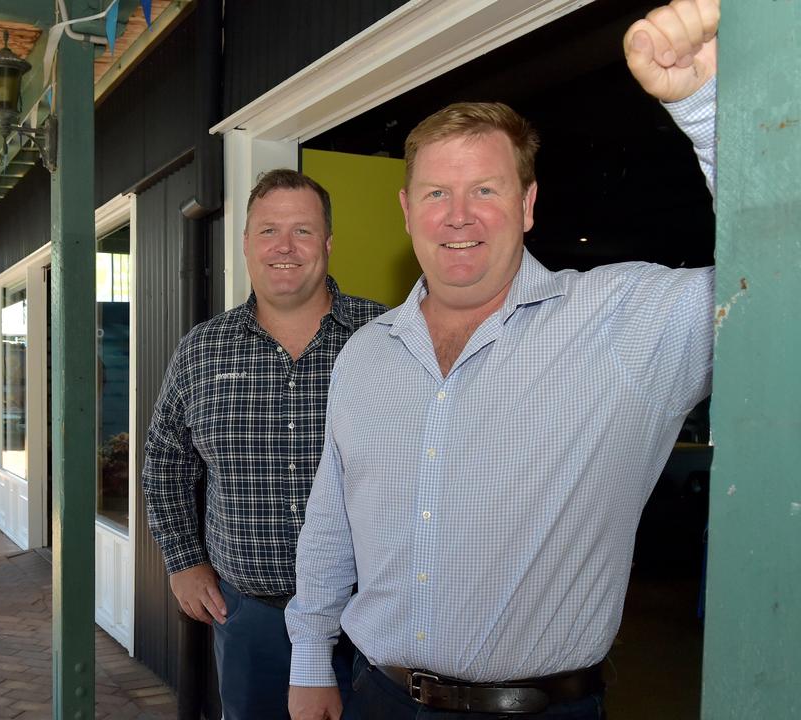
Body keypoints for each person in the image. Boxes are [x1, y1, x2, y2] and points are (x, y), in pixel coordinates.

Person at [285, 0, 720, 718]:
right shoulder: (365, 355)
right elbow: (332, 519)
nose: (458, 215)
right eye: (437, 193)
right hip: (376, 695)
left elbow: (774, 280)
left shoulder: (621, 324)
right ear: (406, 210)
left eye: (486, 190)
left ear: (527, 204)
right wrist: (309, 659)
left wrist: (704, 110)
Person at [143, 169, 387, 719]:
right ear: (247, 244)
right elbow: (164, 464)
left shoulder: (388, 337)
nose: (284, 246)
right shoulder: (202, 350)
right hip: (251, 615)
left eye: (302, 231)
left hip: (368, 620)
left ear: (327, 244)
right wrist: (184, 562)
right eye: (268, 230)